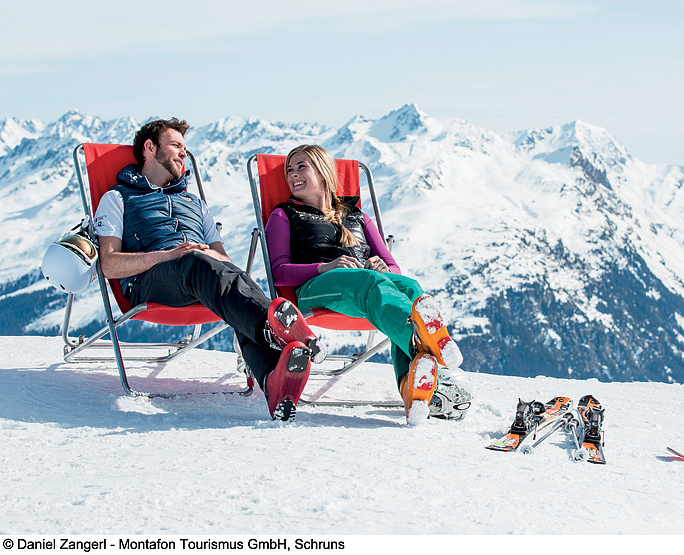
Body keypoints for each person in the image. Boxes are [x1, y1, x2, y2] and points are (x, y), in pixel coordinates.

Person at [93, 117, 317, 422]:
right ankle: (271, 325)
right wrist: (167, 256)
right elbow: (108, 264)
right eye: (176, 145)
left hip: (200, 277)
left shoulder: (196, 203)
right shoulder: (118, 198)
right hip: (148, 281)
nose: (184, 153)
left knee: (233, 280)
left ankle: (271, 378)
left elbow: (224, 260)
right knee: (199, 266)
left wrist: (207, 254)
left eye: (185, 148)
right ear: (150, 148)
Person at [264, 144, 472, 424]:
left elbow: (393, 267)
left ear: (323, 172)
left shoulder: (357, 216)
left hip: (364, 286)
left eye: (302, 166)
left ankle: (410, 388)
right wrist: (325, 267)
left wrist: (383, 267)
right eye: (289, 169)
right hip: (315, 289)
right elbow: (279, 273)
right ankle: (423, 344)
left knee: (409, 287)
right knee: (370, 281)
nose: (292, 174)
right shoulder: (284, 214)